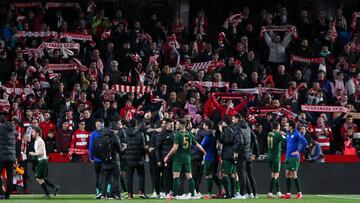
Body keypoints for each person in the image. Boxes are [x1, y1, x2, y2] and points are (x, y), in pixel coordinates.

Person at [163, 119, 206, 200]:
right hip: (187, 157)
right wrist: (204, 151)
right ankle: (192, 194)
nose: (176, 125)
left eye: (177, 124)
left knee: (176, 176)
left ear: (182, 125)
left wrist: (167, 156)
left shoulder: (178, 134)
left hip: (178, 157)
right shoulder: (189, 134)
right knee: (189, 176)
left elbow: (175, 148)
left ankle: (174, 195)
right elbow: (197, 144)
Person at [29, 127, 60, 198]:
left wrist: (32, 153)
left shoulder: (40, 141)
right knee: (40, 178)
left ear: (37, 133)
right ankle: (51, 190)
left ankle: (52, 189)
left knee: (38, 177)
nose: (32, 133)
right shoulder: (36, 141)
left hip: (42, 160)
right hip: (41, 161)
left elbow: (41, 152)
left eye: (33, 132)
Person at [281, 120, 308, 199]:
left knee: (293, 174)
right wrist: (285, 135)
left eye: (287, 125)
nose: (285, 126)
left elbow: (305, 142)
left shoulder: (296, 133)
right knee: (287, 174)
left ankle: (299, 193)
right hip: (288, 157)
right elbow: (290, 140)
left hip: (294, 158)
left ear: (291, 126)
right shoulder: (289, 133)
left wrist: (298, 151)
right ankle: (288, 194)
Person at [124, 119, 147, 199]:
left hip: (128, 158)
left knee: (129, 177)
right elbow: (143, 147)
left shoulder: (124, 133)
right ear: (136, 125)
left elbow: (123, 146)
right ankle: (141, 192)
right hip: (139, 158)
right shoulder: (140, 133)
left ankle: (130, 194)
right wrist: (143, 156)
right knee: (141, 175)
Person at [200, 120, 223, 199]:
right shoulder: (214, 134)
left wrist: (193, 144)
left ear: (207, 126)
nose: (203, 127)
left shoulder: (207, 136)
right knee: (213, 175)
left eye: (204, 125)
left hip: (209, 158)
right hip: (215, 157)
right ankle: (222, 189)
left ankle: (209, 194)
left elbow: (201, 146)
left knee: (208, 176)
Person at [99, 122, 122, 200]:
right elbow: (120, 150)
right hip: (114, 161)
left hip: (105, 161)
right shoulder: (115, 137)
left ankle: (103, 195)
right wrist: (124, 147)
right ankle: (117, 195)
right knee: (116, 179)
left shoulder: (103, 136)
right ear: (115, 130)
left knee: (105, 179)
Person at [232, 113, 251, 199]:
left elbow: (240, 142)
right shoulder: (247, 126)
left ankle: (242, 194)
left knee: (240, 174)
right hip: (247, 152)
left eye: (233, 118)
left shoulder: (237, 127)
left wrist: (236, 151)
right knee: (244, 173)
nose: (232, 120)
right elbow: (252, 138)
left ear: (237, 119)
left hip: (241, 153)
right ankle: (249, 193)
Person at [155, 118, 175, 198]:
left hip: (174, 159)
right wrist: (158, 159)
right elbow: (157, 148)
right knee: (166, 176)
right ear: (166, 125)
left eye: (173, 125)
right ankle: (166, 192)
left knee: (173, 176)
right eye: (171, 125)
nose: (172, 126)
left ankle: (171, 192)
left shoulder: (174, 134)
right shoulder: (161, 135)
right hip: (165, 158)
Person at [267, 121, 286, 198]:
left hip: (270, 157)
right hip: (275, 158)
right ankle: (270, 193)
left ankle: (278, 192)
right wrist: (284, 134)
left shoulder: (269, 133)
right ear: (278, 127)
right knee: (275, 175)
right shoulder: (278, 134)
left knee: (275, 175)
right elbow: (286, 140)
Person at [218, 117, 236, 198]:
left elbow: (224, 140)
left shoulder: (227, 130)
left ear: (225, 123)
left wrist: (221, 131)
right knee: (231, 174)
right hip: (232, 154)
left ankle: (228, 194)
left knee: (224, 174)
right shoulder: (233, 128)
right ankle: (232, 194)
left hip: (227, 154)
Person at [0, 115, 16, 199]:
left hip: (2, 156)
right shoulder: (12, 128)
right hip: (11, 157)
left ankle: (1, 193)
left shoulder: (1, 128)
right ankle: (7, 196)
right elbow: (17, 135)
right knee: (10, 177)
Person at [89, 118, 105, 198]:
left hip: (97, 159)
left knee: (98, 176)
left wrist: (91, 157)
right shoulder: (107, 133)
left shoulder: (93, 134)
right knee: (106, 176)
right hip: (105, 159)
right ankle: (106, 192)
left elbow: (91, 147)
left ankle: (98, 192)